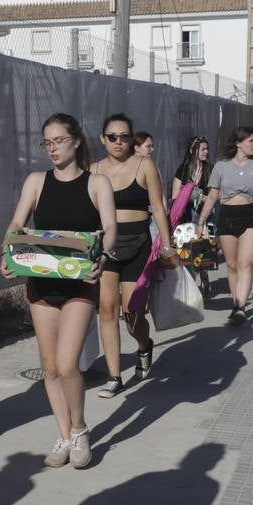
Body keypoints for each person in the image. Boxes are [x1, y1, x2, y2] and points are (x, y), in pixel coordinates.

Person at [1, 112, 117, 469]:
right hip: (42, 282)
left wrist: (104, 255)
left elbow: (110, 226)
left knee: (69, 365)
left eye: (59, 141)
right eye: (47, 142)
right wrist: (8, 252)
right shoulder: (36, 181)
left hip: (80, 282)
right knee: (50, 367)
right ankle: (64, 434)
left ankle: (80, 429)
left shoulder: (97, 183)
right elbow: (17, 223)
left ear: (76, 141)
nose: (52, 148)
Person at [90, 113, 176, 397]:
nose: (118, 142)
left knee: (132, 313)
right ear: (103, 139)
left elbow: (159, 208)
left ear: (131, 139)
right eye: (112, 137)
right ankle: (114, 376)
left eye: (124, 137)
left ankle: (144, 345)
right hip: (106, 246)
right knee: (107, 309)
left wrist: (167, 243)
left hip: (138, 244)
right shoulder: (94, 170)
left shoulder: (144, 165)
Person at [196, 126, 253, 325]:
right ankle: (236, 304)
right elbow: (213, 195)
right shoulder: (221, 167)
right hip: (227, 216)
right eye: (251, 140)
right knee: (232, 266)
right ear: (238, 143)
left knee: (244, 264)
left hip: (251, 216)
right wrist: (201, 221)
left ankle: (240, 307)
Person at [172, 135, 213, 295]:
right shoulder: (183, 170)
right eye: (202, 149)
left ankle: (204, 276)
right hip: (186, 217)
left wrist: (202, 196)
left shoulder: (210, 169)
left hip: (205, 215)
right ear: (192, 151)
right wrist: (188, 194)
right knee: (187, 253)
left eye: (207, 149)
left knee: (203, 250)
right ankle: (191, 287)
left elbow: (215, 193)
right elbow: (175, 196)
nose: (206, 152)